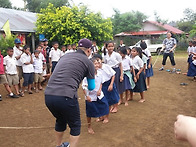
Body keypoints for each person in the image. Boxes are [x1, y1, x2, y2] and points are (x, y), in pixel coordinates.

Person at [45, 38, 95, 147]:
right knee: (75, 125)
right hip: (66, 96)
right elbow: (91, 87)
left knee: (61, 120)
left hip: (48, 95)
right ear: (89, 50)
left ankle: (58, 145)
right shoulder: (88, 62)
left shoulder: (65, 56)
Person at [82, 57, 109, 134]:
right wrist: (87, 96)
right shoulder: (87, 76)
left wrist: (100, 90)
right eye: (95, 63)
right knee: (89, 112)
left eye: (98, 63)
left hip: (99, 94)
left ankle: (102, 117)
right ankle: (89, 127)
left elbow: (101, 82)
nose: (97, 65)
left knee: (105, 105)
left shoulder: (100, 73)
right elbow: (84, 87)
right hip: (90, 96)